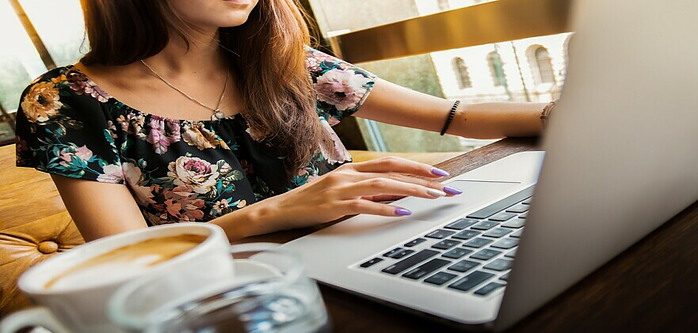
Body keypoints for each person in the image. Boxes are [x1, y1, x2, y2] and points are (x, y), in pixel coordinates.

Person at [15, 0, 550, 242]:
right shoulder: (65, 102)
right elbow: (129, 258)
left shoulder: (282, 60)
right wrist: (276, 212)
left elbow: (452, 115)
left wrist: (566, 113)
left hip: (368, 248)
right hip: (230, 300)